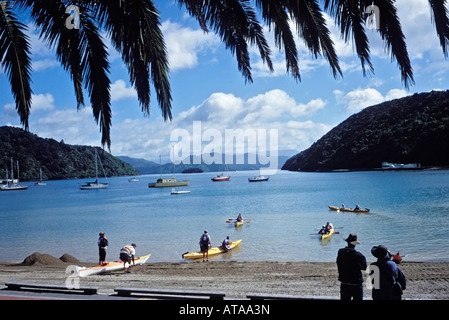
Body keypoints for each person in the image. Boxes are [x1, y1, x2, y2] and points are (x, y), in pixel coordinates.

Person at [336, 233, 367, 300]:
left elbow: (338, 262)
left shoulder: (340, 252)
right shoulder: (359, 256)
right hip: (356, 283)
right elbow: (364, 267)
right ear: (355, 244)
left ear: (347, 242)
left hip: (344, 282)